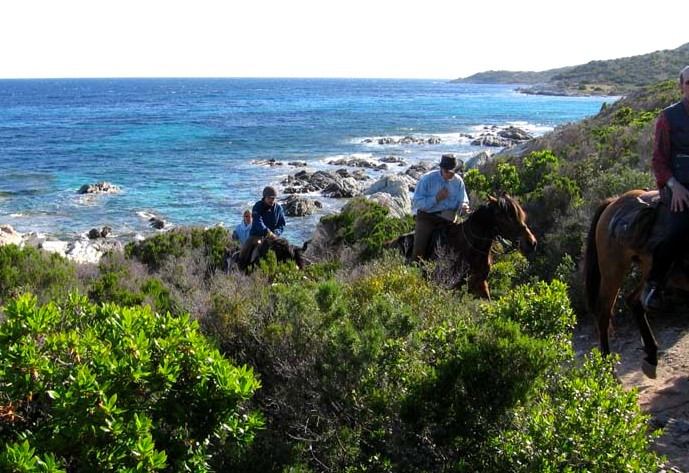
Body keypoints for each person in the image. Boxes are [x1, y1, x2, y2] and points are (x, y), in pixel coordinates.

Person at [643, 65, 689, 310]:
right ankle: (655, 283)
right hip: (677, 185)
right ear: (681, 86)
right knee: (679, 230)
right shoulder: (668, 117)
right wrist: (674, 186)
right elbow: (658, 159)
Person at [411, 154, 470, 261]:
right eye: (449, 172)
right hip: (428, 217)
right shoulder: (427, 179)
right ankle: (414, 267)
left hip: (450, 219)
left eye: (454, 172)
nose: (452, 175)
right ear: (442, 169)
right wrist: (436, 198)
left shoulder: (458, 182)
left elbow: (463, 199)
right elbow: (417, 203)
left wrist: (463, 206)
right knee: (419, 251)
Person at [238, 185, 286, 267]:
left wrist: (275, 233)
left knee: (286, 249)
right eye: (269, 198)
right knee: (245, 249)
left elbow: (282, 224)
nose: (272, 200)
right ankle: (241, 267)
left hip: (273, 237)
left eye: (273, 198)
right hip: (257, 236)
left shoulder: (279, 209)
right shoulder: (257, 206)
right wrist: (267, 232)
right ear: (264, 197)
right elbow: (257, 221)